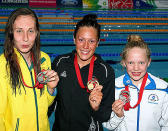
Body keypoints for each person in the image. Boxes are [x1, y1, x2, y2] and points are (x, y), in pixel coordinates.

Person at [50, 14, 115, 131]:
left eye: (91, 41)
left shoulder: (105, 71)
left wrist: (96, 107)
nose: (86, 46)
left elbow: (105, 115)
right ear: (74, 39)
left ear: (98, 42)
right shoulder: (60, 62)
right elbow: (50, 102)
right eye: (81, 40)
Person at [0, 8, 59, 131]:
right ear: (11, 32)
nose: (25, 38)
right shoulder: (2, 65)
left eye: (30, 31)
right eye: (19, 31)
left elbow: (44, 105)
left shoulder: (44, 59)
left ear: (37, 32)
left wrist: (51, 89)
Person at [103, 36, 168, 131]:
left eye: (141, 63)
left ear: (149, 62)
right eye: (130, 63)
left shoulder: (162, 88)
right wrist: (118, 116)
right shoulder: (114, 87)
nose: (136, 68)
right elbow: (106, 125)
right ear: (124, 62)